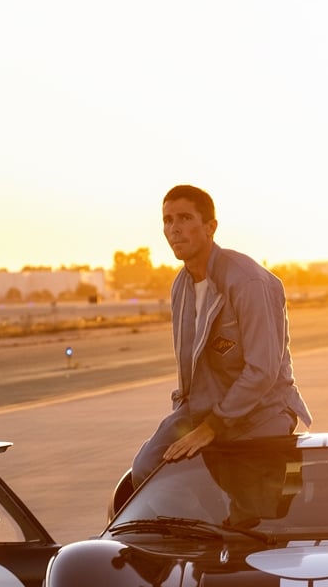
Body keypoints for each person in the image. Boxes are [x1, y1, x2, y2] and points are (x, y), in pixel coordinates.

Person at [131, 185, 311, 484]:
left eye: (185, 218)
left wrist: (211, 427)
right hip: (202, 410)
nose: (174, 229)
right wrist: (188, 415)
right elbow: (189, 369)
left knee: (245, 488)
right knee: (148, 469)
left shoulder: (248, 281)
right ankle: (191, 531)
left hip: (261, 410)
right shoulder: (181, 286)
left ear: (210, 227)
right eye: (168, 220)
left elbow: (262, 370)